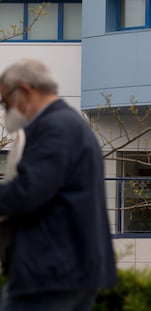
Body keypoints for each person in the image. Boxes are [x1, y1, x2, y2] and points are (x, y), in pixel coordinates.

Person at [0, 59, 118, 310]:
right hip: (65, 271)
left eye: (5, 102)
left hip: (51, 273)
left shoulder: (54, 127)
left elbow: (28, 191)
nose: (5, 109)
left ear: (25, 91)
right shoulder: (69, 124)